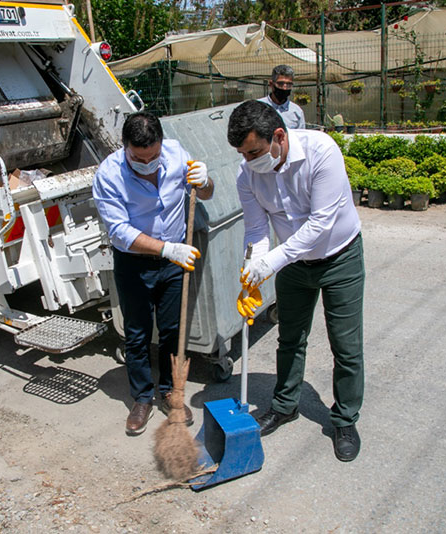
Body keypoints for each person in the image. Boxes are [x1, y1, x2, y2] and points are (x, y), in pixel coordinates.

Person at [227, 100, 364, 462]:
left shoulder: (322, 151)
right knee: (289, 337)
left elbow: (320, 225)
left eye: (254, 151)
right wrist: (254, 265)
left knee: (346, 346)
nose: (249, 160)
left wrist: (271, 261)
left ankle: (345, 419)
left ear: (279, 136)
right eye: (242, 154)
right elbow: (257, 228)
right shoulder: (248, 175)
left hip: (340, 257)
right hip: (292, 264)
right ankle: (284, 405)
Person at [93, 111, 214, 436]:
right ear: (125, 148)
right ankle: (142, 398)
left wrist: (205, 182)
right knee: (137, 333)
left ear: (162, 144)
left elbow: (205, 194)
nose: (147, 163)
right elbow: (118, 231)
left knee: (174, 331)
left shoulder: (177, 154)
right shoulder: (109, 174)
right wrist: (165, 248)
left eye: (153, 156)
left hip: (175, 260)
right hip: (134, 263)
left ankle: (171, 393)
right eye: (138, 158)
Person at [258, 65, 306, 130]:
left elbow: (300, 137)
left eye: (289, 84)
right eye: (280, 84)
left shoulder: (297, 112)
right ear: (271, 84)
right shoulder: (258, 107)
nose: (285, 88)